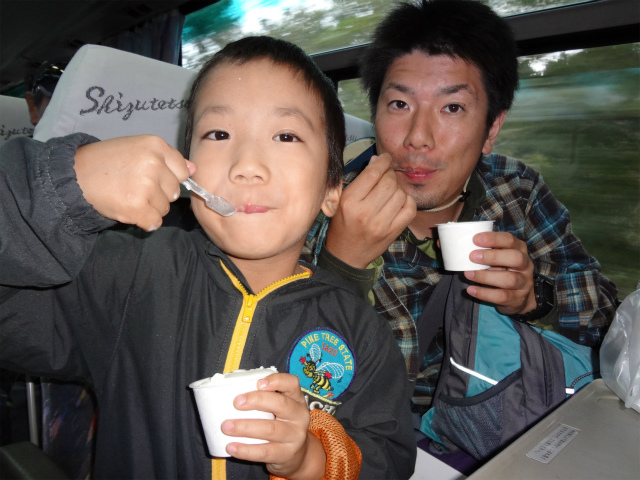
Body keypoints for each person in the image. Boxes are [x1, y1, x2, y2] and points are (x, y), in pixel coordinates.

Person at [0, 36, 415, 479]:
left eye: (286, 135)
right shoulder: (130, 275)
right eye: (218, 134)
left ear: (332, 190)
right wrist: (63, 187)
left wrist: (313, 459)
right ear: (187, 164)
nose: (247, 165)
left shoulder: (360, 328)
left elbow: (387, 457)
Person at [303, 0, 619, 416]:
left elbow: (608, 320)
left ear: (491, 129)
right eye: (399, 104)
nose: (418, 137)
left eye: (452, 107)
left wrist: (535, 299)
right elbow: (286, 372)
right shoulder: (319, 205)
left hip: (491, 419)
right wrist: (341, 266)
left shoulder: (516, 191)